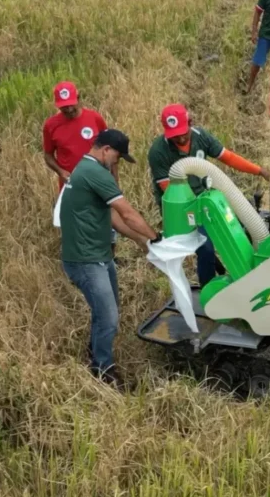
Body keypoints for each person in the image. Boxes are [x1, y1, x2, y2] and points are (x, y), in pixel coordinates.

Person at [59, 129, 160, 388]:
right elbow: (127, 213)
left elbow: (112, 218)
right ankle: (103, 370)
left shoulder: (86, 170)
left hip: (100, 256)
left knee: (107, 309)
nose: (117, 163)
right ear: (105, 150)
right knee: (109, 317)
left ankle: (94, 351)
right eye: (117, 157)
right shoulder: (95, 173)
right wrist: (155, 237)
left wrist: (140, 240)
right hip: (85, 260)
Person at [147, 103, 270, 287]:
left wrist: (260, 171)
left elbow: (228, 157)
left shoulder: (202, 137)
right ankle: (209, 293)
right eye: (174, 135)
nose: (179, 138)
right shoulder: (158, 151)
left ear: (190, 123)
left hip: (206, 197)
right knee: (206, 248)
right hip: (182, 208)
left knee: (243, 225)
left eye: (183, 132)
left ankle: (252, 277)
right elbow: (167, 187)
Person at [43, 80, 122, 254]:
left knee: (107, 222)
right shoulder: (51, 126)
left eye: (71, 105)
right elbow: (48, 155)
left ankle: (110, 258)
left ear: (79, 98)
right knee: (77, 226)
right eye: (64, 107)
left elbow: (110, 150)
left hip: (99, 182)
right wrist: (61, 171)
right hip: (72, 186)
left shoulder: (94, 118)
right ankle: (81, 261)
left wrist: (114, 179)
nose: (69, 110)